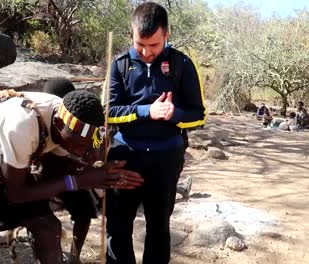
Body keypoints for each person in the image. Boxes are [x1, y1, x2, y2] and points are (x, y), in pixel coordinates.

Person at [0, 89, 144, 264]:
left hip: (1, 167)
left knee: (47, 228)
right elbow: (17, 194)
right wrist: (78, 181)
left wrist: (96, 171)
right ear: (58, 124)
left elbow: (54, 171)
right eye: (75, 146)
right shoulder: (23, 126)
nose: (77, 152)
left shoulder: (65, 117)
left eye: (84, 149)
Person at [106, 2, 206, 263]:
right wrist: (146, 111)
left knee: (159, 227)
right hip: (125, 155)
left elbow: (199, 114)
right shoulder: (119, 65)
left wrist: (175, 115)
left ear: (167, 35)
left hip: (166, 158)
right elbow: (109, 112)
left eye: (154, 45)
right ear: (132, 34)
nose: (146, 52)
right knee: (117, 227)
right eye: (140, 44)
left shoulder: (182, 64)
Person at [43, 77, 99, 264]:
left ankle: (74, 257)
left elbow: (89, 152)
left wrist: (87, 158)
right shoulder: (40, 124)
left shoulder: (81, 127)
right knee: (41, 219)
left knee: (84, 210)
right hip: (43, 176)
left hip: (66, 173)